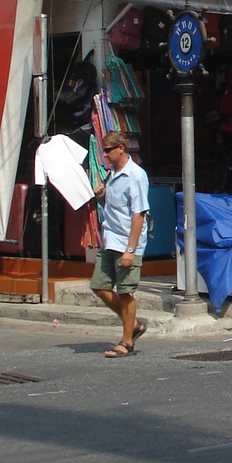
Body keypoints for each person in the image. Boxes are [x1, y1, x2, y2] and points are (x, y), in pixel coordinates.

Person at [92, 130, 151, 356]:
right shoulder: (112, 173)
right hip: (110, 238)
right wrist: (102, 196)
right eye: (103, 150)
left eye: (108, 150)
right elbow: (116, 206)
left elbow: (139, 214)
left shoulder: (135, 175)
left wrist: (130, 250)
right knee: (99, 285)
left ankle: (127, 341)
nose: (104, 155)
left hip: (127, 241)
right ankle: (133, 323)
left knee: (125, 291)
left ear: (120, 148)